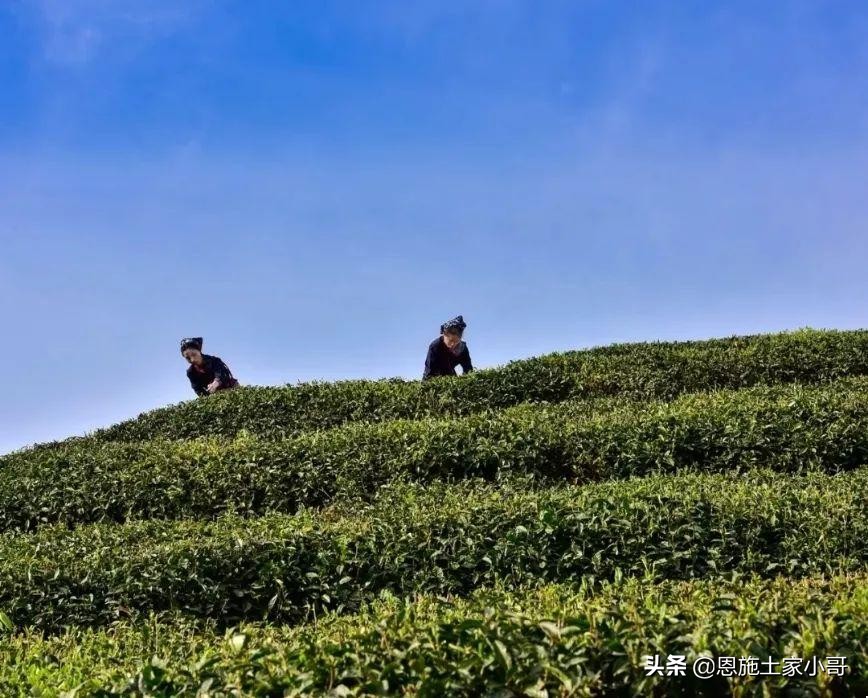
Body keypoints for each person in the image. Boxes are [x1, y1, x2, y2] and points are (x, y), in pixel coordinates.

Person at [423, 315, 473, 380]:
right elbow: (429, 373)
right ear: (444, 335)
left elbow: (468, 369)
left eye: (456, 342)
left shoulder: (462, 348)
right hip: (435, 373)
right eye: (451, 341)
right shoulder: (435, 347)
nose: (453, 345)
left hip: (450, 373)